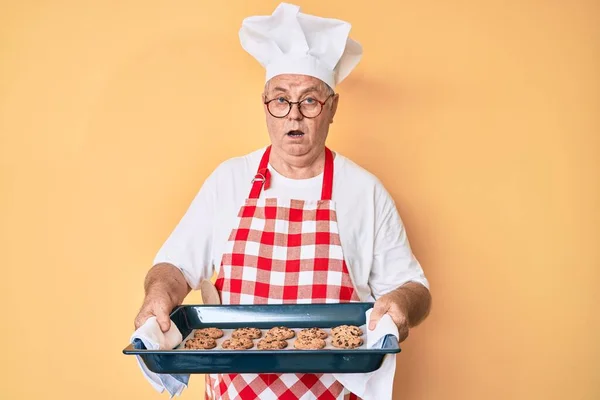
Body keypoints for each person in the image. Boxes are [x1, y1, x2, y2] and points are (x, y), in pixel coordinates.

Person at [134, 3, 431, 399]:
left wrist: (401, 303)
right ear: (266, 106)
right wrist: (158, 294)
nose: (293, 116)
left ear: (332, 108)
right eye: (280, 100)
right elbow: (175, 266)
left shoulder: (365, 191)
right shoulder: (230, 180)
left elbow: (415, 288)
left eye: (309, 101)